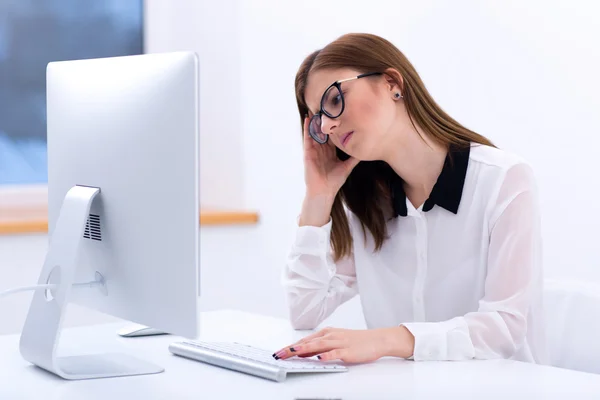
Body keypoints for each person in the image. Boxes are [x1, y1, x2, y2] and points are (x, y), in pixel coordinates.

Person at [272, 33, 546, 365]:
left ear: (392, 83)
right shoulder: (368, 206)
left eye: (334, 100)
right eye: (319, 119)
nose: (328, 126)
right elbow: (304, 311)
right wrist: (318, 197)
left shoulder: (503, 180)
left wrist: (388, 340)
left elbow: (505, 327)